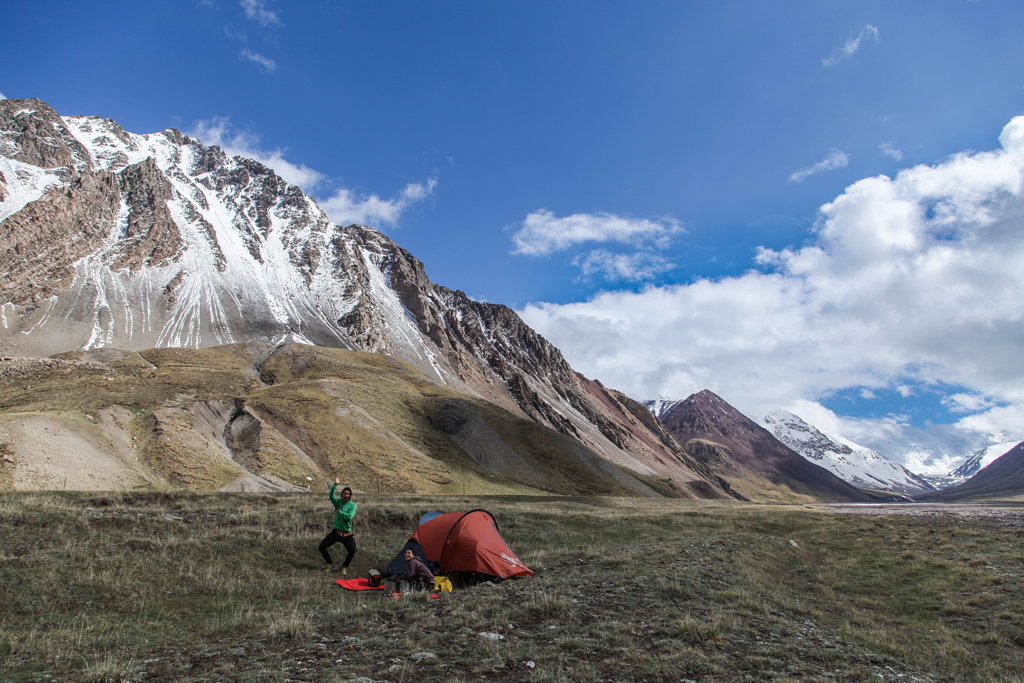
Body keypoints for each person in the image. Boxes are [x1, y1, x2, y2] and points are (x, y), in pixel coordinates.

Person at [319, 478, 357, 574]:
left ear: (350, 496)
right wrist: (335, 485)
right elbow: (331, 496)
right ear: (342, 495)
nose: (346, 495)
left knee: (352, 550)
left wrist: (339, 512)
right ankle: (330, 564)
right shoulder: (338, 502)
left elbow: (349, 517)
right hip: (336, 531)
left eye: (348, 494)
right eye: (344, 494)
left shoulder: (353, 506)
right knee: (322, 546)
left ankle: (344, 567)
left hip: (346, 532)